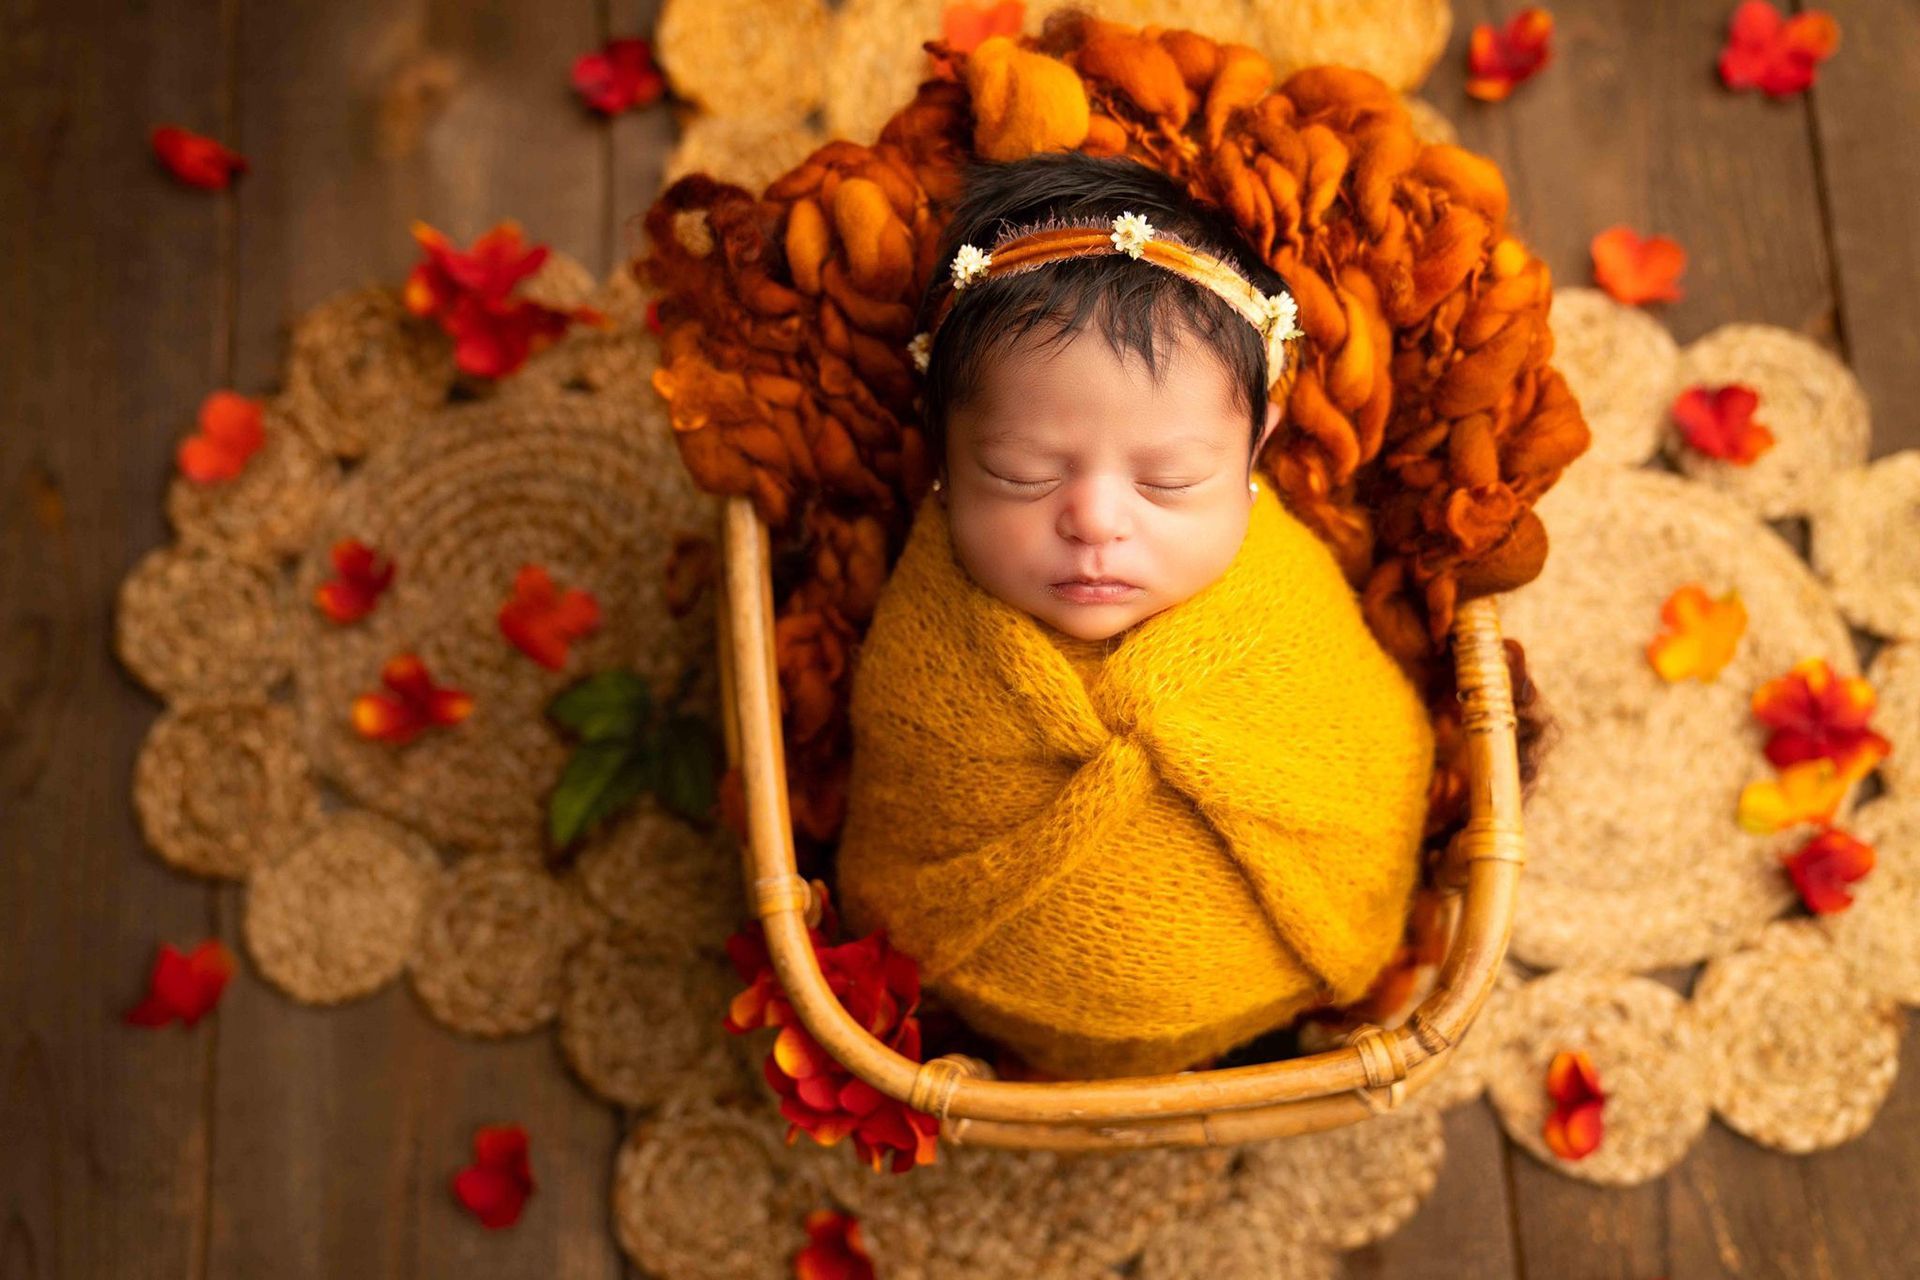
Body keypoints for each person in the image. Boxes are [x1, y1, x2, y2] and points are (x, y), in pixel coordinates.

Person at [833, 151, 1439, 1080]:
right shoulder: (930, 640)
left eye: (1170, 482)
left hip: (1277, 986)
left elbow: (1372, 760)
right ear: (944, 454)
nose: (1096, 522)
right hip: (981, 991)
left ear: (1254, 454)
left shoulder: (1288, 599)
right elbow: (905, 806)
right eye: (1022, 475)